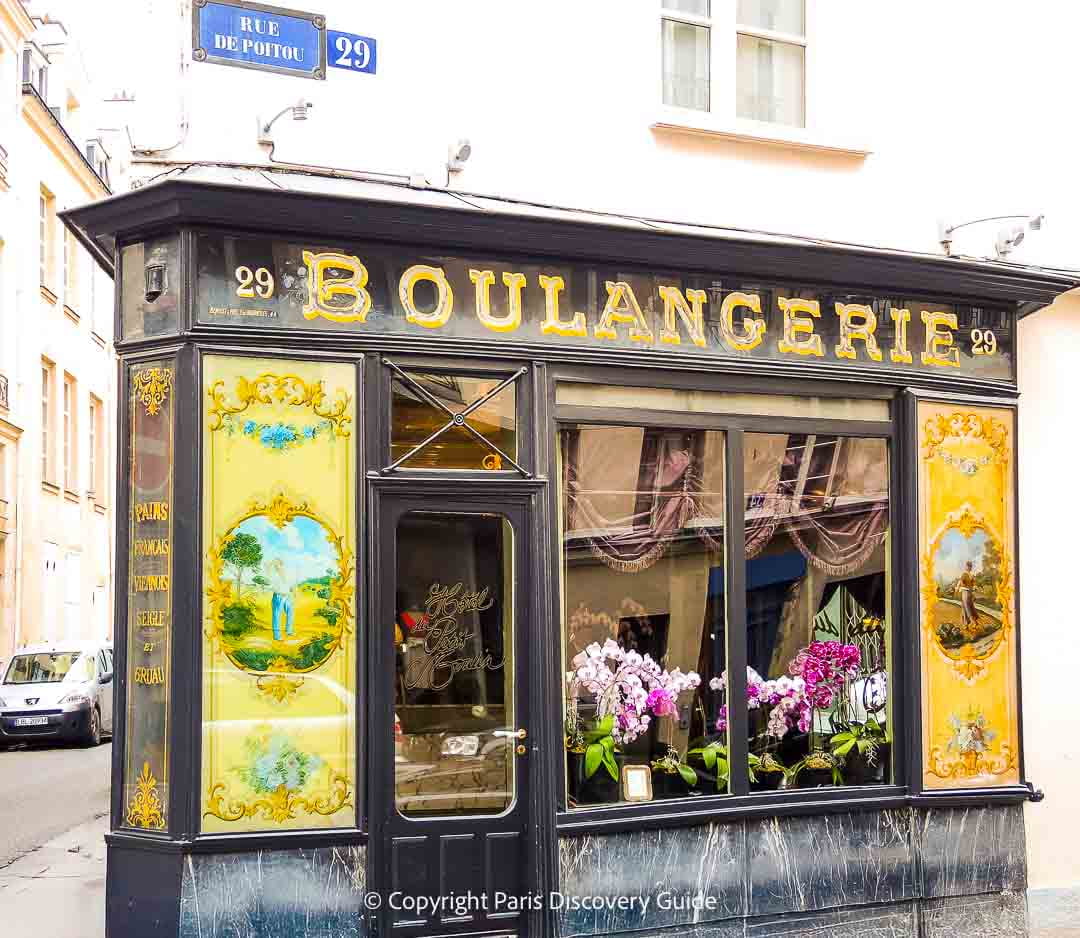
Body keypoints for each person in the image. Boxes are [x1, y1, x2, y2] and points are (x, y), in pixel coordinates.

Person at [267, 557, 295, 642]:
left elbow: (289, 584)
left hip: (287, 596)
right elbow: (271, 584)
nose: (278, 566)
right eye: (276, 565)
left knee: (290, 612)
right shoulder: (272, 574)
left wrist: (292, 591)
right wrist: (271, 563)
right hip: (278, 596)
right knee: (276, 616)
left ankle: (289, 631)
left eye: (279, 564)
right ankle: (277, 636)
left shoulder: (285, 573)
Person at [955, 561, 980, 637]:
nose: (969, 567)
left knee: (967, 607)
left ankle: (968, 623)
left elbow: (973, 584)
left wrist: (975, 587)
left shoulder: (971, 575)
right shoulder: (964, 574)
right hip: (965, 592)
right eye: (968, 566)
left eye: (970, 566)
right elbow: (960, 582)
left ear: (971, 567)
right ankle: (971, 622)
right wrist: (957, 588)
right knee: (966, 606)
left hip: (970, 593)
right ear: (966, 567)